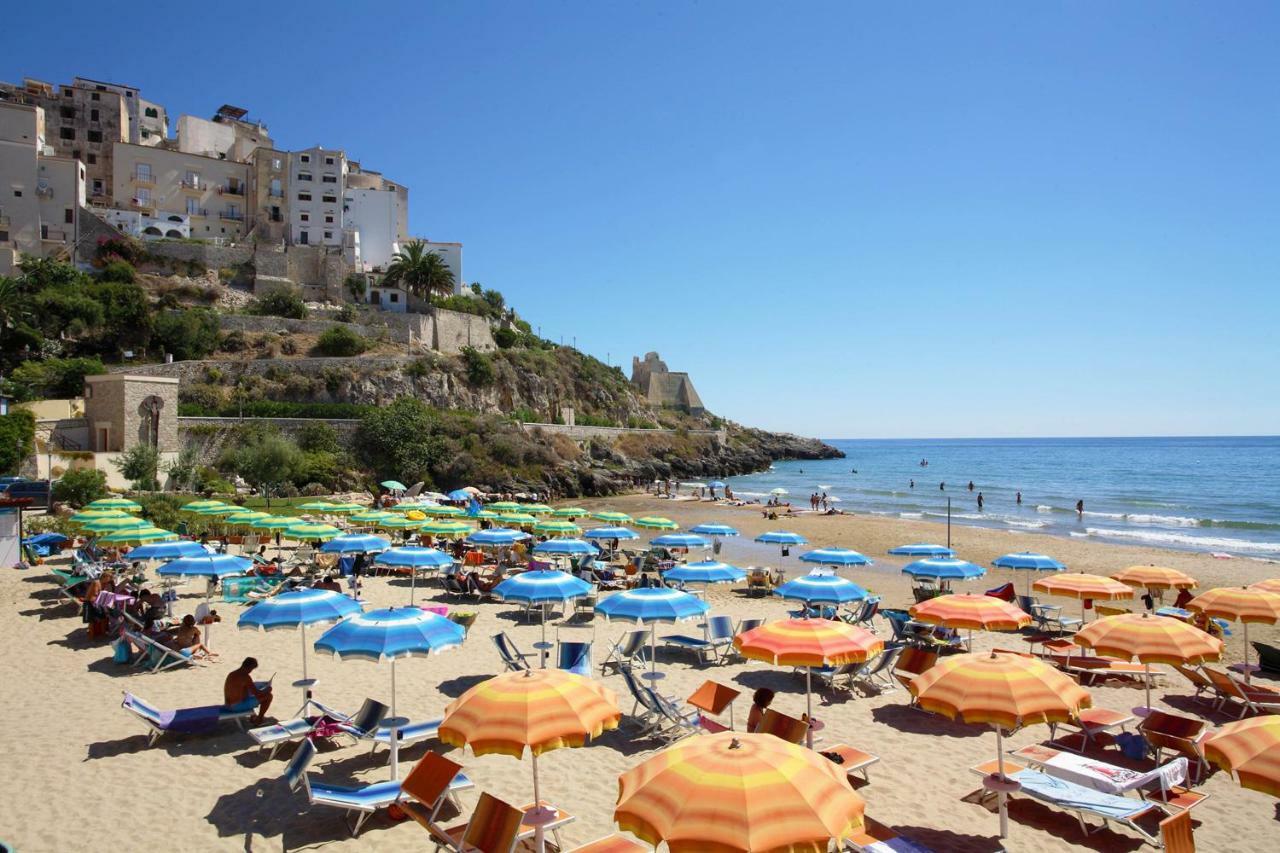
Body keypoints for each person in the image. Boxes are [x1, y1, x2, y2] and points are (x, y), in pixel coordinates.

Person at [224, 657, 273, 725]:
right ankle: (259, 719)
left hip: (228, 704)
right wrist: (267, 689)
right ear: (249, 668)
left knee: (248, 693)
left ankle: (252, 716)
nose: (251, 671)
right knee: (269, 696)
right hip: (236, 706)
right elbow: (257, 694)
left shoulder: (231, 674)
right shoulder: (245, 677)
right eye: (251, 669)